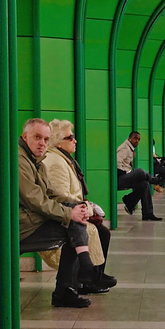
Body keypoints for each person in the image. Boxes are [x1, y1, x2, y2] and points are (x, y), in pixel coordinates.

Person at [19, 118, 117, 308]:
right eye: (37, 137)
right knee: (72, 226)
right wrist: (69, 213)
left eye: (46, 139)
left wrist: (77, 206)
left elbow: (51, 193)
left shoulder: (36, 159)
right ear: (25, 136)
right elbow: (35, 199)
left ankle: (74, 283)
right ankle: (76, 280)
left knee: (75, 222)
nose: (42, 143)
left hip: (33, 218)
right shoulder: (24, 160)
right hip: (22, 224)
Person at [42, 119, 114, 294]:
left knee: (100, 231)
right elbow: (61, 198)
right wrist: (87, 212)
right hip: (59, 217)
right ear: (58, 142)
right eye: (70, 137)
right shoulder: (56, 163)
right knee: (94, 232)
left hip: (70, 212)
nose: (75, 140)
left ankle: (87, 278)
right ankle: (87, 278)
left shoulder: (63, 159)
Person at [116, 131, 162, 221]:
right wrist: (127, 173)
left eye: (139, 139)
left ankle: (147, 213)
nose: (137, 141)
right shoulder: (125, 148)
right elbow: (117, 164)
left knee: (144, 184)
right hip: (119, 179)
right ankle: (154, 180)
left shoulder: (130, 148)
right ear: (130, 138)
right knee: (140, 172)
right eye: (135, 138)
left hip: (125, 176)